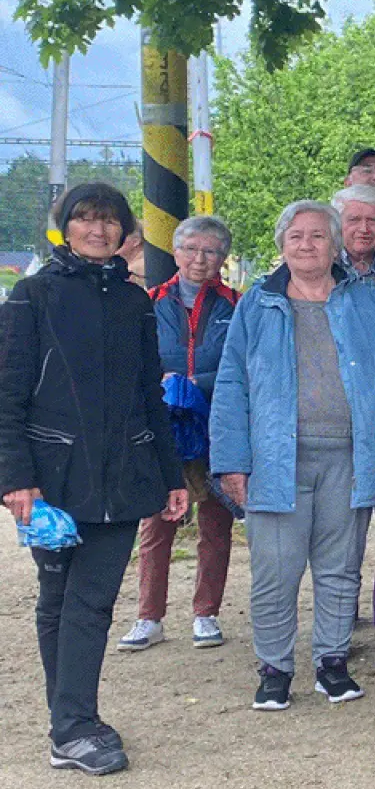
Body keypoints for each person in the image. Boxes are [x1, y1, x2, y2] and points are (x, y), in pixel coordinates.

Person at [0, 182, 188, 775]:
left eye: (110, 221)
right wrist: (15, 480)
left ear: (125, 233)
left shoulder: (135, 303)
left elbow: (149, 397)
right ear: (64, 226)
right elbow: (6, 398)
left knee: (89, 601)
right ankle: (73, 726)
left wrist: (169, 474)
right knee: (59, 600)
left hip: (126, 476)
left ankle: (71, 721)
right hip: (53, 480)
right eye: (85, 219)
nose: (98, 230)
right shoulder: (30, 297)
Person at [210, 200, 375, 712]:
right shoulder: (256, 304)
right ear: (281, 246)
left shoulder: (363, 300)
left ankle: (332, 664)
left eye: (318, 236)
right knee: (276, 570)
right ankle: (274, 669)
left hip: (349, 455)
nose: (306, 244)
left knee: (340, 567)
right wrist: (232, 460)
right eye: (295, 236)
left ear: (336, 245)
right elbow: (232, 384)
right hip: (276, 460)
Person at [119, 215, 240, 653]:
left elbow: (241, 366)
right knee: (157, 521)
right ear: (175, 252)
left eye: (210, 251)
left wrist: (200, 384)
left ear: (222, 257)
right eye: (191, 249)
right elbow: (133, 363)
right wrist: (166, 384)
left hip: (217, 424)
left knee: (215, 521)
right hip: (165, 425)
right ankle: (148, 616)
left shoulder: (238, 304)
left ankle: (205, 613)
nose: (199, 259)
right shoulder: (149, 302)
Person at [331, 185, 375, 282]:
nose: (364, 229)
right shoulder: (323, 262)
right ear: (337, 224)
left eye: (372, 220)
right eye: (354, 220)